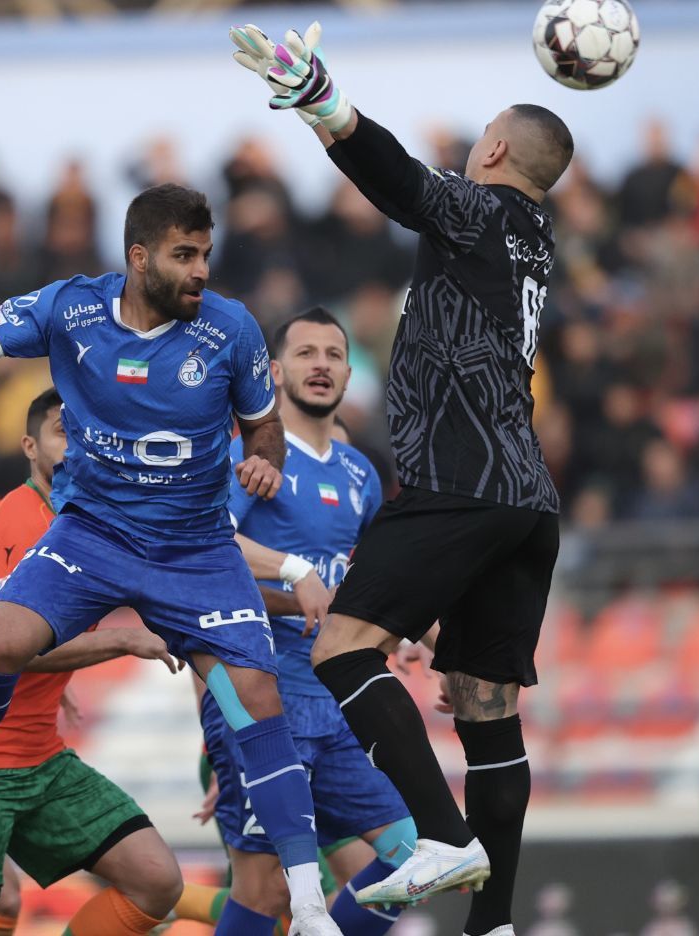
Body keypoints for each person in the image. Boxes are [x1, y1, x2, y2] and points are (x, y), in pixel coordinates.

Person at [0, 183, 343, 936]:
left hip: (196, 549)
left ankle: (306, 903)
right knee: (0, 640)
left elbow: (263, 427)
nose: (201, 269)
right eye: (183, 255)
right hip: (94, 534)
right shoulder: (71, 309)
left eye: (205, 253)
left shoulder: (229, 330)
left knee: (258, 706)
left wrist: (263, 462)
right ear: (139, 259)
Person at [231, 21, 572, 925]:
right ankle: (494, 921)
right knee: (484, 708)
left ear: (494, 148)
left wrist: (318, 98)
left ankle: (443, 835)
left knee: (343, 646)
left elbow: (399, 181)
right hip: (526, 497)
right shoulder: (535, 237)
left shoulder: (485, 208)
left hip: (460, 480)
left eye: (478, 138)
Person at [0, 387, 185, 936]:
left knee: (156, 879)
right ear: (29, 446)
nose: (80, 444)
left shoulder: (95, 521)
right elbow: (4, 648)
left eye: (90, 432)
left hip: (42, 756)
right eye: (64, 431)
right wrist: (121, 641)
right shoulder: (22, 519)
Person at [195, 308, 418, 936]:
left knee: (415, 854)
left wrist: (441, 647)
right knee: (265, 891)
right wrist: (294, 569)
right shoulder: (247, 456)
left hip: (336, 700)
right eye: (305, 353)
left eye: (333, 354)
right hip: (259, 695)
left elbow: (379, 582)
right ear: (273, 370)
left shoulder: (360, 476)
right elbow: (205, 547)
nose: (320, 364)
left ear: (350, 373)